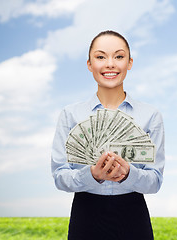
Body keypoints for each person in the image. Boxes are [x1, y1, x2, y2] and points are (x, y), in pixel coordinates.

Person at [51, 30, 165, 240]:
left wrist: (129, 174)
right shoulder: (70, 114)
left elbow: (155, 181)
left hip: (133, 215)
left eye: (119, 56)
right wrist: (92, 175)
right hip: (86, 214)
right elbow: (60, 177)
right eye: (101, 56)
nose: (110, 64)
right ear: (89, 64)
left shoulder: (150, 115)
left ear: (130, 63)